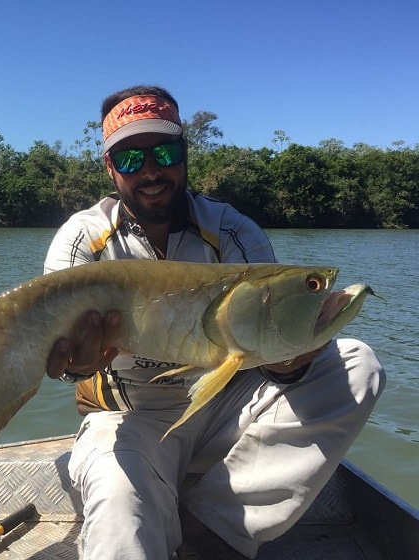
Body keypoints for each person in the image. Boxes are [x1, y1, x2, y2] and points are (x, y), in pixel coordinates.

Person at [43, 85, 385, 559]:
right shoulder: (81, 240)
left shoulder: (234, 231)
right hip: (131, 416)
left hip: (228, 405)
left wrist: (291, 362)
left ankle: (214, 524)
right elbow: (61, 359)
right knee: (119, 510)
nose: (150, 171)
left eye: (164, 152)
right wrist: (76, 367)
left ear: (184, 155)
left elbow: (270, 352)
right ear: (109, 167)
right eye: (129, 159)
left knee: (356, 362)